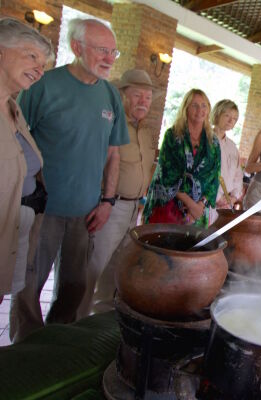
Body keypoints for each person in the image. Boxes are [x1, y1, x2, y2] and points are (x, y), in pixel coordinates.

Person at [10, 18, 129, 343]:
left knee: (74, 287)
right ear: (77, 48)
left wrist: (107, 202)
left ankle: (56, 345)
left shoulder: (110, 95)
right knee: (29, 286)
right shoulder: (43, 86)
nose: (109, 57)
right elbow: (17, 141)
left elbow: (113, 154)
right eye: (102, 50)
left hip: (87, 211)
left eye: (113, 52)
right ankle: (25, 349)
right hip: (42, 211)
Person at [76, 69, 160, 317]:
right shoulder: (109, 124)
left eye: (147, 97)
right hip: (110, 206)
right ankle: (75, 323)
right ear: (122, 95)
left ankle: (98, 321)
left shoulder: (145, 132)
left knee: (116, 268)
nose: (143, 101)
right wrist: (104, 200)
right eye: (137, 96)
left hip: (134, 208)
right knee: (92, 266)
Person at [0, 18, 53, 304]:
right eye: (31, 56)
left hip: (13, 226)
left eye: (43, 63)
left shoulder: (13, 107)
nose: (39, 69)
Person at [143, 89, 220, 227]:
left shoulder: (213, 142)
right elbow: (166, 175)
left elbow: (214, 177)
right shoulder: (172, 136)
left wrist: (200, 206)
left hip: (198, 211)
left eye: (204, 105)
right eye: (194, 105)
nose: (200, 110)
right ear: (186, 108)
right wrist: (191, 205)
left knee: (190, 247)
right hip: (168, 206)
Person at [211, 99, 243, 214]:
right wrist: (217, 198)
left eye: (234, 118)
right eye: (227, 116)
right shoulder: (206, 141)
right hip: (208, 201)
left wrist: (234, 197)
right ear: (217, 114)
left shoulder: (232, 147)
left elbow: (238, 175)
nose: (231, 120)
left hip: (227, 204)